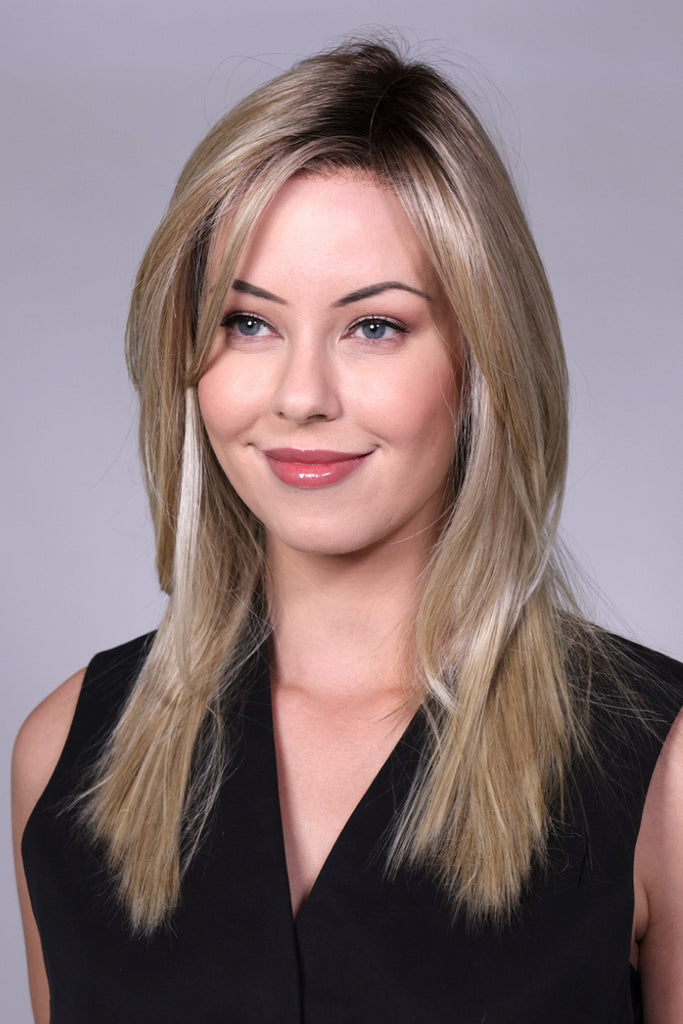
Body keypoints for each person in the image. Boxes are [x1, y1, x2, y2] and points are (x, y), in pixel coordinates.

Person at [11, 39, 683, 1024]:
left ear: (480, 359)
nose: (300, 396)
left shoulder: (659, 771)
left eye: (373, 326)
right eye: (248, 323)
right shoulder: (68, 751)